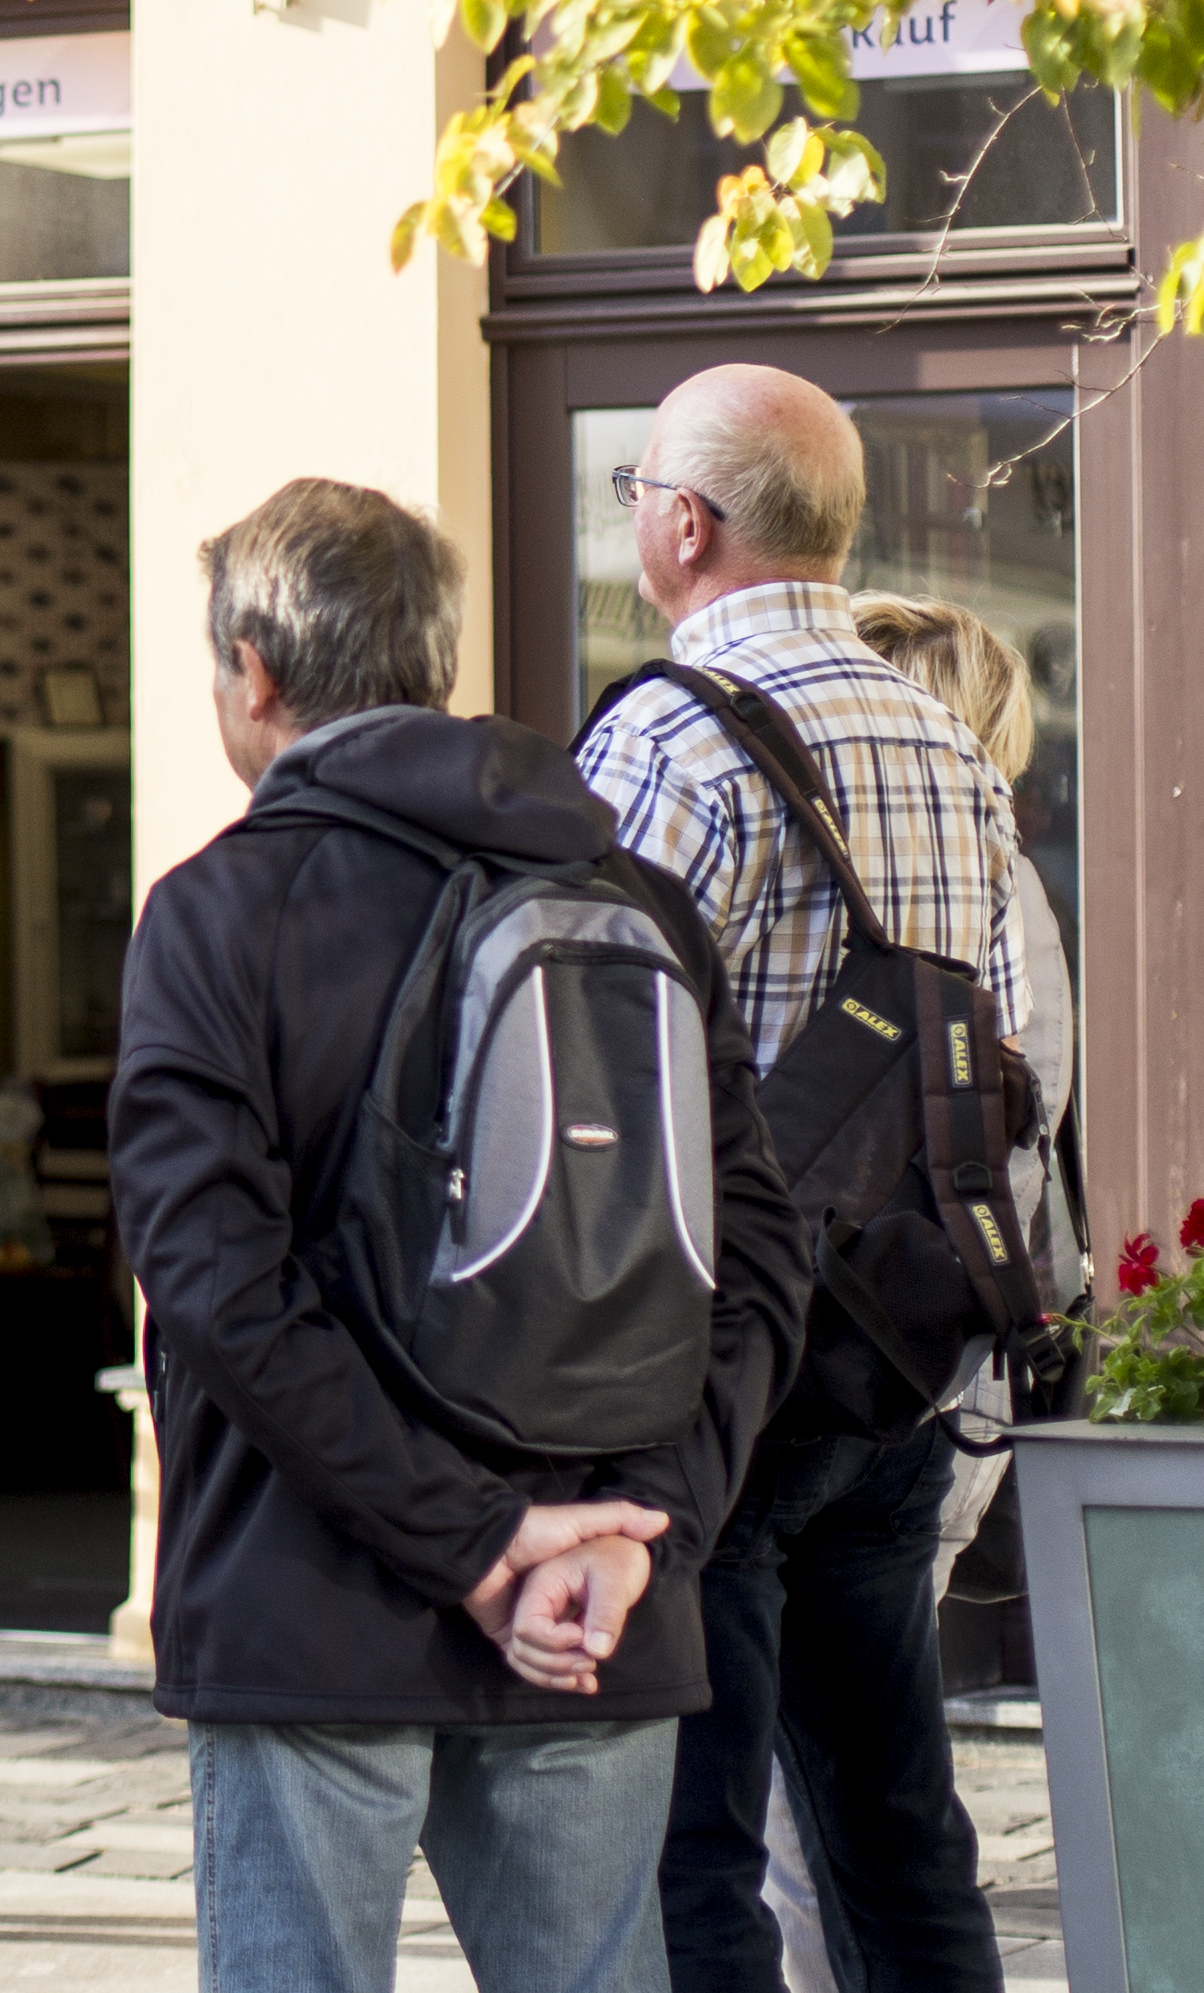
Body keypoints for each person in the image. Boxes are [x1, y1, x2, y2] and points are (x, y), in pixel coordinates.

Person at [110, 478, 807, 1993]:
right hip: (596, 1610)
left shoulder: (220, 912)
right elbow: (757, 1256)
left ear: (254, 669)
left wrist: (474, 1541)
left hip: (310, 1601)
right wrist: (643, 1533)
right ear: (433, 659)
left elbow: (216, 1284)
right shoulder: (634, 896)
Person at [574, 365, 1031, 1993]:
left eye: (637, 486)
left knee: (692, 1845)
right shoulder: (941, 738)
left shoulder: (659, 738)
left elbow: (594, 1062)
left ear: (684, 522)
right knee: (894, 1834)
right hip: (892, 1352)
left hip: (714, 1359)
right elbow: (986, 1025)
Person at [743, 594, 1083, 1993]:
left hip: (877, 1370)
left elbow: (1010, 1121)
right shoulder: (979, 873)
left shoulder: (968, 873)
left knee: (812, 1825)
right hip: (920, 1373)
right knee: (873, 1804)